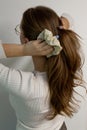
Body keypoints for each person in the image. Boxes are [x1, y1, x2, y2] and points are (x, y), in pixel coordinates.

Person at [0, 6, 84, 130]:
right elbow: (68, 17)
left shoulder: (22, 83)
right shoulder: (71, 67)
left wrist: (24, 49)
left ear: (25, 40)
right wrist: (58, 29)